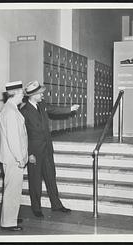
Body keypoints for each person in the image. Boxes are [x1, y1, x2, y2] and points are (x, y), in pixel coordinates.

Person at [20, 80, 80, 217]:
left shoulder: (42, 105)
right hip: (34, 152)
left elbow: (54, 109)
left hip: (47, 148)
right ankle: (36, 208)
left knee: (51, 177)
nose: (42, 95)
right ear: (33, 95)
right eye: (40, 93)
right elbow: (22, 135)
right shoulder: (24, 111)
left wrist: (70, 109)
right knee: (35, 180)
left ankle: (56, 205)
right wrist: (28, 153)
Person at [0, 80, 28, 231]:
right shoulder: (10, 112)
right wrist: (20, 158)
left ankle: (11, 217)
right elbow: (14, 139)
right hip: (13, 158)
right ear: (15, 93)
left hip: (11, 157)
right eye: (22, 91)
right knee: (12, 190)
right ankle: (8, 222)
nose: (23, 93)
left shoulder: (11, 109)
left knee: (14, 189)